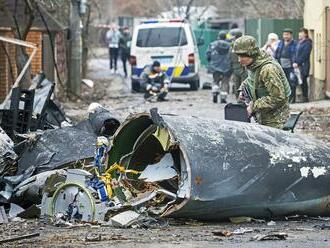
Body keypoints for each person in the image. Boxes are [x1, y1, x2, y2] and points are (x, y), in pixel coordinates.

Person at [233, 35, 291, 129]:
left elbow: (278, 98)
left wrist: (253, 106)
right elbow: (253, 79)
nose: (239, 60)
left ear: (251, 54)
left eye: (242, 56)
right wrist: (242, 90)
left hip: (275, 121)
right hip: (264, 118)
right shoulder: (255, 64)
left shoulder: (268, 69)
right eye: (238, 56)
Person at [206, 30, 233, 103]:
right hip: (226, 67)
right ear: (225, 37)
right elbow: (233, 56)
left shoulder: (212, 45)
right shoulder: (230, 45)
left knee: (215, 80)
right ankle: (223, 97)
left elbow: (208, 55)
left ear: (218, 36)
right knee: (225, 82)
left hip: (215, 66)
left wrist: (211, 62)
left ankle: (215, 90)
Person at [274, 28, 297, 102]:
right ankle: (284, 99)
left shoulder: (295, 43)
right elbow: (277, 53)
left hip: (291, 66)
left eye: (287, 35)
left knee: (292, 82)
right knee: (282, 83)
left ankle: (292, 99)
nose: (285, 36)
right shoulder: (281, 43)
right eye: (284, 35)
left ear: (291, 35)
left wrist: (295, 62)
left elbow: (296, 54)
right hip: (281, 66)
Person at [293, 28, 312, 102]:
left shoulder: (308, 43)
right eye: (299, 32)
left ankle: (305, 97)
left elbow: (305, 55)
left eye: (302, 33)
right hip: (297, 65)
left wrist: (298, 62)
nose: (299, 34)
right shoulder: (299, 43)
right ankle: (299, 97)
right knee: (298, 81)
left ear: (306, 34)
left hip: (304, 65)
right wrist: (294, 61)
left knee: (303, 81)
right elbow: (295, 53)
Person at [229, 28, 248, 98]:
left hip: (235, 67)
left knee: (236, 84)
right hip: (243, 68)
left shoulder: (232, 46)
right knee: (244, 84)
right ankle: (242, 99)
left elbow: (229, 57)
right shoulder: (244, 45)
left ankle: (238, 98)